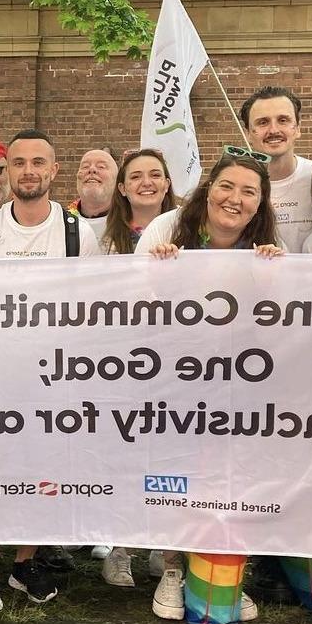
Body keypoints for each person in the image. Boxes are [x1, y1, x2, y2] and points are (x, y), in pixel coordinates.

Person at [135, 148, 287, 624]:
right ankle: (175, 570)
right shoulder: (167, 228)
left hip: (238, 388)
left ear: (260, 204)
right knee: (176, 475)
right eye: (226, 186)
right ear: (208, 189)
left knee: (231, 478)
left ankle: (224, 575)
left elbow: (283, 322)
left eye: (249, 192)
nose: (234, 199)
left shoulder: (264, 248)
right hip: (173, 383)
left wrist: (281, 276)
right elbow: (125, 303)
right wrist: (154, 273)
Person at [0, 129, 99, 616]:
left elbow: (99, 306)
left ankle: (25, 561)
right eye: (19, 163)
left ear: (55, 170)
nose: (29, 171)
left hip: (57, 379)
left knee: (45, 471)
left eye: (39, 162)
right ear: (8, 171)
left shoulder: (80, 233)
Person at [95, 148, 178, 586]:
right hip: (118, 361)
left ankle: (166, 551)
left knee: (168, 458)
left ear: (167, 183)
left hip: (175, 363)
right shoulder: (105, 238)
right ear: (122, 187)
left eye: (156, 175)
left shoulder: (190, 228)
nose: (147, 182)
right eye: (136, 176)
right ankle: (121, 546)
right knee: (125, 457)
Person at [239, 86, 312, 251]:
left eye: (283, 120)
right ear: (248, 133)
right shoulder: (235, 186)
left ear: (297, 128)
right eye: (263, 122)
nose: (273, 130)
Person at [70, 149, 118, 238]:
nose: (92, 169)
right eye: (85, 166)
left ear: (117, 181)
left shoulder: (133, 222)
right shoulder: (61, 223)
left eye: (101, 166)